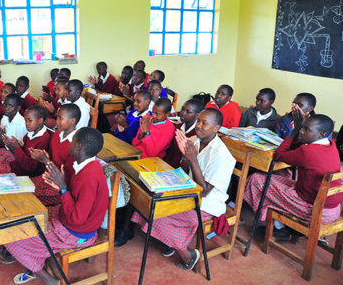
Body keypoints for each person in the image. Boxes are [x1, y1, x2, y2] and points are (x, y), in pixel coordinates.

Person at [131, 109, 236, 271]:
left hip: (207, 203)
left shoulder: (221, 155)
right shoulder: (195, 140)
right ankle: (171, 241)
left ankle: (188, 255)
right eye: (198, 121)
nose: (198, 126)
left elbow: (204, 192)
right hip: (187, 192)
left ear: (216, 128)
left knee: (156, 214)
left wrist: (193, 160)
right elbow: (184, 170)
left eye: (204, 123)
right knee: (146, 201)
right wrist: (185, 159)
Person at [4, 128, 109, 285]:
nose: (70, 144)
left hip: (76, 233)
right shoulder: (84, 165)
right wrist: (62, 185)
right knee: (28, 214)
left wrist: (62, 188)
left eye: (73, 141)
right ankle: (40, 255)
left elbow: (77, 218)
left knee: (9, 237)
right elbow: (75, 197)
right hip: (65, 217)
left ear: (79, 146)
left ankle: (49, 279)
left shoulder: (89, 175)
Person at [244, 112, 342, 240]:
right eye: (301, 127)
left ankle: (281, 226)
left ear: (321, 134)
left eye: (306, 129)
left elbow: (278, 155)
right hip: (333, 208)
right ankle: (280, 225)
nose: (301, 131)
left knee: (256, 179)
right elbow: (301, 149)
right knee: (278, 177)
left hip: (315, 211)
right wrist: (300, 133)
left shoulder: (308, 152)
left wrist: (293, 131)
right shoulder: (331, 144)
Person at [29, 103, 80, 206]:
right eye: (57, 117)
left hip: (60, 186)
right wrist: (44, 157)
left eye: (60, 118)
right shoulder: (57, 134)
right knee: (22, 188)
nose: (56, 121)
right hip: (48, 176)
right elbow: (52, 159)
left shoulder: (75, 144)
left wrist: (46, 161)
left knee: (29, 199)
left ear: (72, 120)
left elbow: (67, 177)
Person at [165, 99, 204, 168]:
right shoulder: (178, 127)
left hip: (184, 170)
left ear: (197, 115)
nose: (183, 113)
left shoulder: (197, 133)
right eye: (182, 109)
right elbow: (171, 149)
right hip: (169, 166)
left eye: (188, 112)